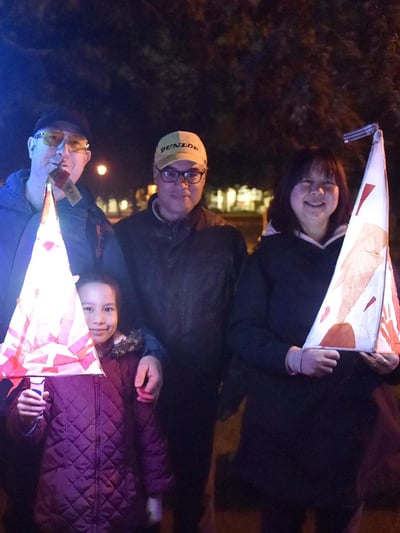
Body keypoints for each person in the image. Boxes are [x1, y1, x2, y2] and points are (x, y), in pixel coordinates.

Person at [0, 106, 164, 532]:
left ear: (84, 160)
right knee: (15, 492)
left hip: (65, 399)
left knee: (53, 505)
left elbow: (125, 303)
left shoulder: (94, 227)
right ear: (31, 146)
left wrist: (151, 350)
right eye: (51, 139)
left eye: (75, 145)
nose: (62, 152)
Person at [226, 147, 400, 533]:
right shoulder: (268, 257)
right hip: (282, 429)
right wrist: (292, 358)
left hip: (348, 431)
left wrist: (394, 359)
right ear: (289, 191)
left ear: (341, 193)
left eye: (327, 183)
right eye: (307, 182)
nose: (317, 192)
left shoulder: (367, 254)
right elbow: (242, 331)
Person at [115, 131, 248, 532]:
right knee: (143, 489)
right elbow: (114, 307)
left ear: (205, 177)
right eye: (171, 173)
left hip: (199, 388)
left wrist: (233, 384)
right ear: (155, 174)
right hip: (137, 386)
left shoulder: (225, 240)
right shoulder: (125, 236)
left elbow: (241, 315)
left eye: (193, 173)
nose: (182, 183)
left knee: (195, 492)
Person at [6, 271, 174, 532]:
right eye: (88, 308)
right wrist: (26, 417)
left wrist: (155, 495)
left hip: (121, 507)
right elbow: (30, 434)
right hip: (63, 507)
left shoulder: (130, 364)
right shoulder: (51, 364)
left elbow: (149, 435)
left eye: (108, 308)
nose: (99, 319)